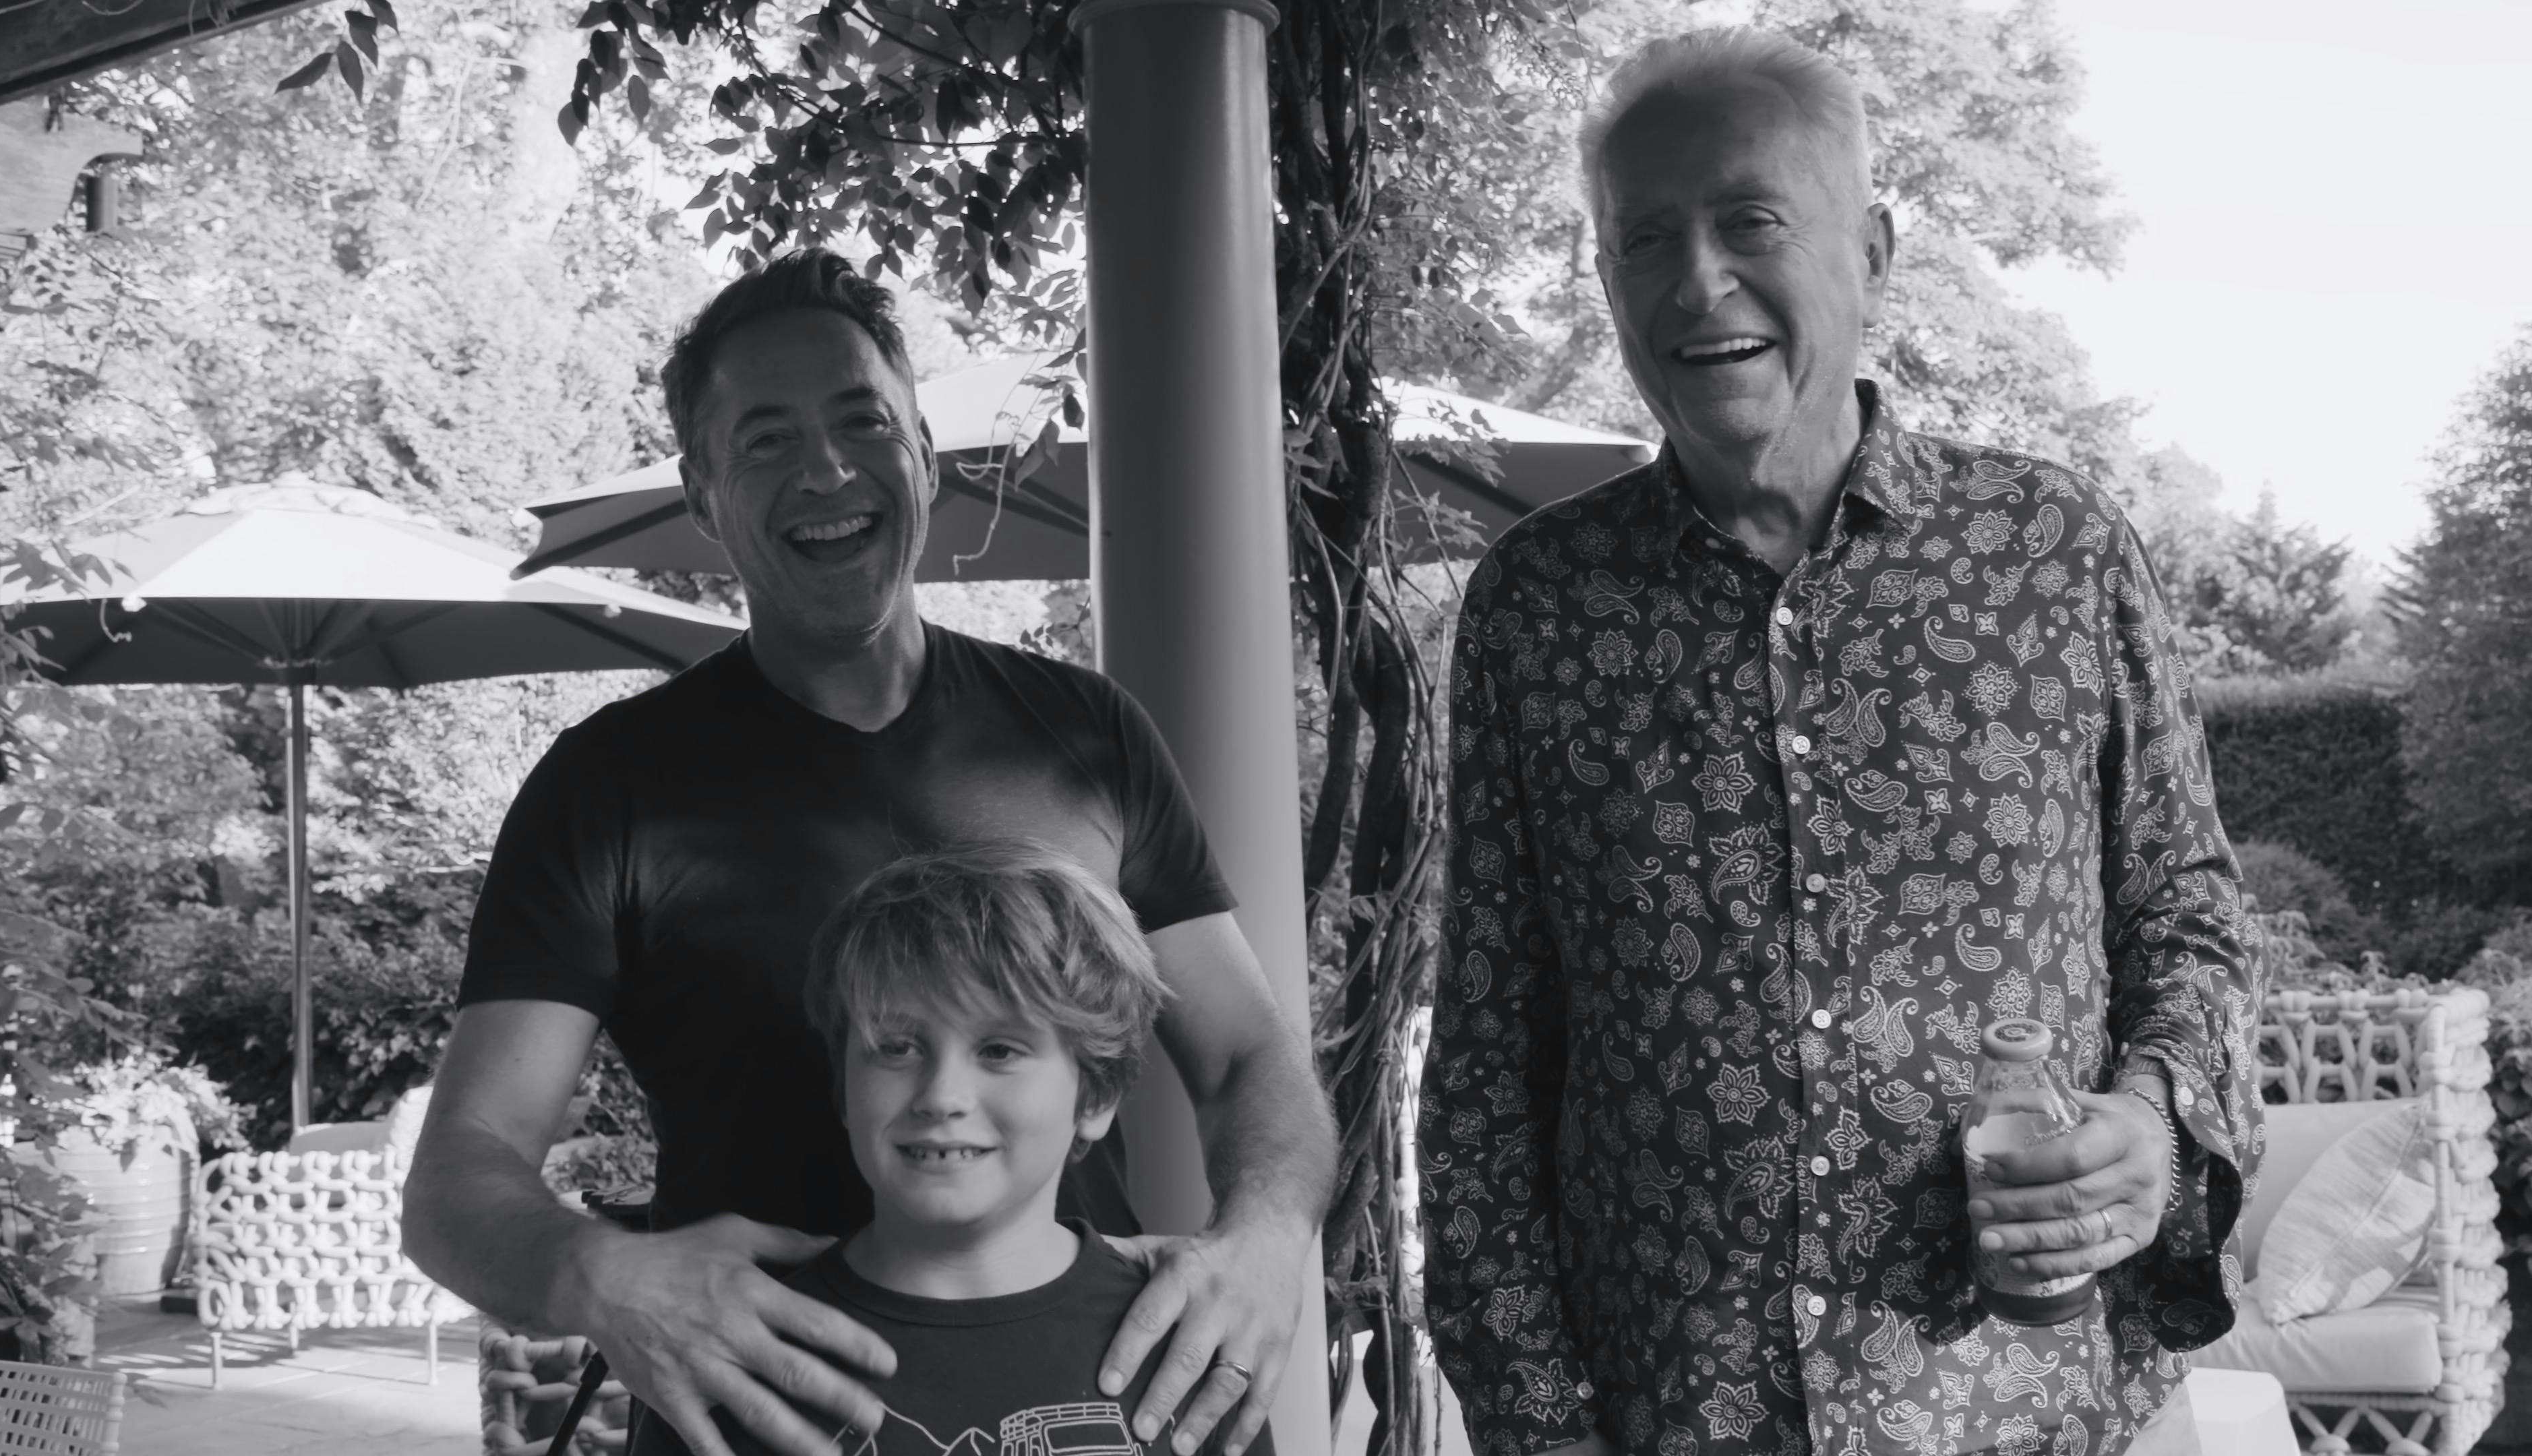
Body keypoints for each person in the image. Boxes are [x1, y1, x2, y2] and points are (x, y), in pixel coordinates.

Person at [1418, 28, 2260, 1456]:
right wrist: (1534, 1415)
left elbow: (2187, 911)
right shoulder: (1536, 609)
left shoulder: (2052, 551)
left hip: (2019, 1414)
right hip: (1667, 1417)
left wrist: (2157, 1121)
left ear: (1870, 251)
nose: (1696, 282)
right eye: (1643, 241)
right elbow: (1493, 1050)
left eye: (1751, 221)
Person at [403, 250, 1333, 1456]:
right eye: (767, 440)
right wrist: (598, 1277)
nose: (827, 470)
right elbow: (457, 1176)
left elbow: (1251, 1053)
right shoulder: (609, 786)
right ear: (702, 492)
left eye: (863, 422)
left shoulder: (1086, 737)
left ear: (924, 455)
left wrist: (1262, 1244)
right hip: (756, 1414)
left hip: (1087, 1398)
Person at [636, 843, 1280, 1456]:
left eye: (999, 1050)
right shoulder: (725, 1353)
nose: (942, 1096)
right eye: (896, 1047)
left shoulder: (1194, 1341)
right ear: (843, 1087)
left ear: (1095, 1096)